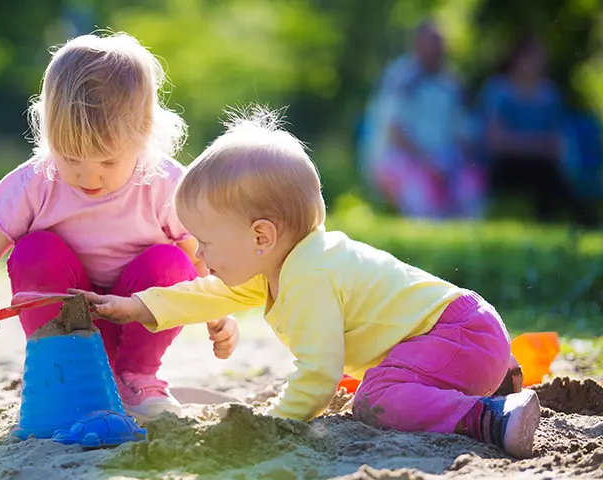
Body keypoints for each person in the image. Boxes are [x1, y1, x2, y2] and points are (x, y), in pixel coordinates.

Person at [73, 106, 541, 459]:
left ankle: (488, 417)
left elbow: (317, 377)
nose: (199, 254)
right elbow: (211, 294)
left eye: (207, 241)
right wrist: (140, 307)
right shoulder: (280, 266)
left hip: (459, 335)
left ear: (261, 236)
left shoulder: (309, 276)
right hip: (466, 337)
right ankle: (493, 380)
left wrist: (274, 423)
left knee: (375, 395)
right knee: (379, 382)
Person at [0, 31, 236, 423]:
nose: (89, 176)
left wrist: (220, 310)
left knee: (170, 261)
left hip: (135, 324)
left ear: (143, 134)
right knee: (34, 250)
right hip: (64, 324)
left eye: (106, 161)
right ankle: (61, 371)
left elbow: (202, 261)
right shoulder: (34, 183)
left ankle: (137, 377)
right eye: (70, 157)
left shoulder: (165, 185)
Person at [367, 21, 485, 219]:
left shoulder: (452, 83)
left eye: (439, 44)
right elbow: (395, 131)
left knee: (469, 188)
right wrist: (428, 163)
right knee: (421, 195)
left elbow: (464, 132)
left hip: (444, 161)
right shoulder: (400, 77)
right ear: (417, 44)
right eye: (430, 43)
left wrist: (450, 163)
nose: (435, 50)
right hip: (402, 159)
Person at [478, 35, 598, 226]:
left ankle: (561, 222)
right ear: (518, 58)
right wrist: (536, 145)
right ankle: (582, 222)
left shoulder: (549, 94)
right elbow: (496, 141)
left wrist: (532, 145)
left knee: (549, 172)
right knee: (546, 172)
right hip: (504, 166)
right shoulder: (498, 90)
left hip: (542, 165)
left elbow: (557, 139)